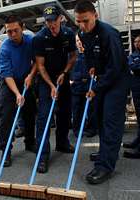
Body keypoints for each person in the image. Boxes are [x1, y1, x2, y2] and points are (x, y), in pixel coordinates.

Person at [74, 0, 130, 184]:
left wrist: (96, 88)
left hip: (116, 81)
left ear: (95, 16)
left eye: (86, 21)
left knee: (111, 121)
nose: (82, 25)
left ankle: (105, 166)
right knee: (99, 117)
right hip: (102, 78)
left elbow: (115, 67)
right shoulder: (83, 33)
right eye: (78, 21)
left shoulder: (109, 34)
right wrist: (92, 68)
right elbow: (90, 55)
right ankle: (106, 150)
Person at [33, 4, 77, 173]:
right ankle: (42, 157)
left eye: (53, 20)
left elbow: (73, 56)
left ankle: (62, 143)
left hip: (63, 77)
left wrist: (65, 73)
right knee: (44, 117)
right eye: (47, 21)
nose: (51, 24)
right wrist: (51, 85)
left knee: (65, 113)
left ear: (61, 19)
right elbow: (40, 66)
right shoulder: (39, 38)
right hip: (46, 80)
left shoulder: (68, 34)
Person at [0, 15, 37, 167]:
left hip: (26, 79)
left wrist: (31, 75)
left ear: (22, 28)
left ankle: (30, 142)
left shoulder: (30, 41)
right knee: (6, 116)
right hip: (9, 83)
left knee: (30, 112)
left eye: (16, 30)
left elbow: (37, 61)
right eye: (9, 32)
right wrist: (17, 94)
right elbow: (6, 74)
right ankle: (5, 150)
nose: (13, 35)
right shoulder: (4, 49)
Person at [123, 35, 140, 159]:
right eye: (135, 41)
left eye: (139, 41)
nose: (137, 43)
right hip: (136, 90)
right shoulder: (133, 55)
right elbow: (130, 65)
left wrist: (135, 67)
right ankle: (138, 141)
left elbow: (135, 67)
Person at [70, 34, 89, 138]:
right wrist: (70, 80)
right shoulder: (73, 55)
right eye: (77, 40)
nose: (79, 42)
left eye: (80, 40)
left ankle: (84, 127)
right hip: (76, 86)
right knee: (76, 110)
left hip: (86, 86)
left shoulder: (88, 54)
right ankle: (76, 130)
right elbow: (68, 68)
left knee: (84, 109)